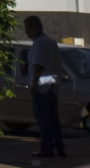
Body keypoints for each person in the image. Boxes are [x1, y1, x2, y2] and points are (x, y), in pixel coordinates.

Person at [24, 15, 66, 159]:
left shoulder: (39, 43)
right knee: (53, 119)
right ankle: (59, 146)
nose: (26, 32)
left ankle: (47, 147)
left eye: (27, 28)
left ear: (34, 27)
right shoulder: (51, 42)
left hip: (43, 86)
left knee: (43, 119)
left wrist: (34, 84)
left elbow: (38, 65)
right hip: (52, 86)